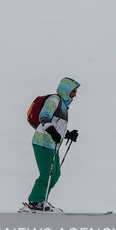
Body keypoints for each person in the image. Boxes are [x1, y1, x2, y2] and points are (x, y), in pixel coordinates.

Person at [25, 77, 80, 212]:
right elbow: (44, 117)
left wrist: (67, 134)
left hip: (51, 144)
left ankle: (41, 201)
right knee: (47, 173)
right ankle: (34, 203)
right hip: (42, 141)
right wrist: (52, 132)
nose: (75, 94)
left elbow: (56, 125)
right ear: (66, 90)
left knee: (55, 174)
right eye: (73, 91)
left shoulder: (64, 105)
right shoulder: (54, 100)